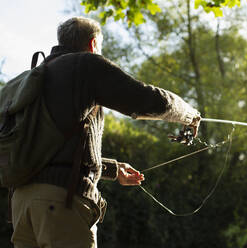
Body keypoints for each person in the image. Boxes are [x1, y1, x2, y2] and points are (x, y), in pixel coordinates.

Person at [10, 16, 201, 248]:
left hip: (22, 204)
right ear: (93, 45)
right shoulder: (86, 65)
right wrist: (189, 113)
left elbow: (50, 149)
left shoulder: (36, 77)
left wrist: (113, 169)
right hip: (61, 203)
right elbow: (141, 99)